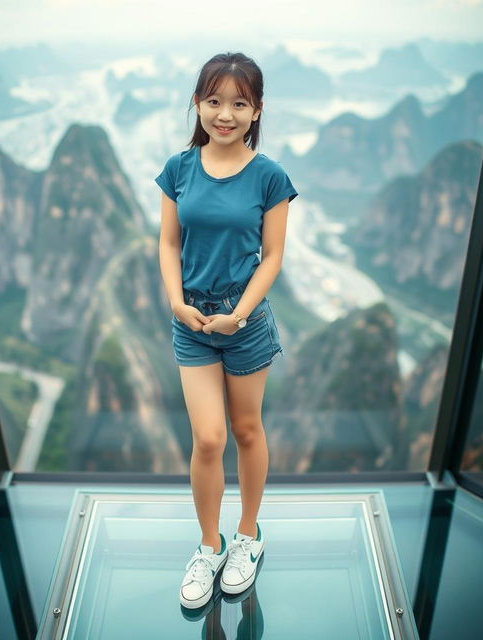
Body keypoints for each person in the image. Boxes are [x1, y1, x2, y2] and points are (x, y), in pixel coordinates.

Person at [155, 51, 298, 610]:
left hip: (246, 323)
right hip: (191, 320)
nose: (225, 114)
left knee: (245, 430)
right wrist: (175, 302)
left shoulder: (269, 176)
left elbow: (273, 256)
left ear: (257, 109)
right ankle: (209, 546)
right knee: (208, 438)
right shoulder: (179, 169)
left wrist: (238, 313)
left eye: (239, 103)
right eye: (214, 101)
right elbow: (168, 243)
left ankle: (247, 537)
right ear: (197, 102)